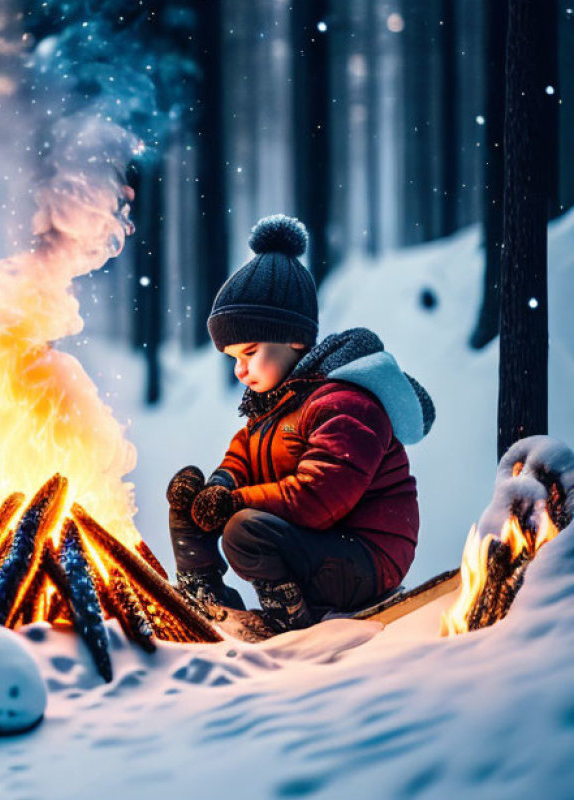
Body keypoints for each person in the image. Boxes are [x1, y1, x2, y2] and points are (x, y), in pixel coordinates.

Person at [168, 214, 435, 634]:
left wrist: (235, 504)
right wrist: (217, 486)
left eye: (249, 352)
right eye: (233, 358)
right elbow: (243, 457)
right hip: (319, 545)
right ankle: (204, 596)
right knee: (192, 509)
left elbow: (319, 497)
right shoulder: (271, 411)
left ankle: (290, 621)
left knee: (244, 530)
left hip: (365, 555)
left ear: (294, 339)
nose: (240, 369)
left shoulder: (345, 404)